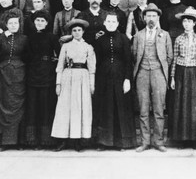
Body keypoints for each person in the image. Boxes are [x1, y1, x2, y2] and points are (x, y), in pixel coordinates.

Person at [132, 3, 173, 153]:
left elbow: (169, 56)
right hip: (142, 73)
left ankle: (158, 141)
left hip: (158, 73)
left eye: (154, 16)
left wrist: (159, 68)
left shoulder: (165, 35)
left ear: (158, 18)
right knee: (143, 109)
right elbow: (134, 55)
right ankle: (145, 142)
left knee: (158, 109)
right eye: (148, 15)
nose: (151, 18)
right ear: (143, 17)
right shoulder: (138, 35)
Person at [93, 13, 137, 150]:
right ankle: (104, 142)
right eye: (109, 21)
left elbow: (128, 61)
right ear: (105, 23)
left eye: (114, 21)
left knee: (120, 109)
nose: (111, 23)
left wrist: (127, 79)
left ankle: (121, 143)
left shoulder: (123, 39)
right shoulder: (100, 40)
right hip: (103, 78)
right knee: (105, 109)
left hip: (120, 78)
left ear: (118, 23)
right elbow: (97, 61)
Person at [52, 18, 96, 152]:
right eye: (74, 30)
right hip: (67, 76)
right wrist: (58, 83)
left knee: (80, 107)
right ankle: (62, 140)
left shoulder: (88, 47)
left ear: (83, 32)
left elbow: (92, 68)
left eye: (79, 30)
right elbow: (60, 66)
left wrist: (91, 84)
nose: (77, 33)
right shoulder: (65, 46)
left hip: (82, 77)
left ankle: (78, 141)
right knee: (65, 108)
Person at [0, 8, 28, 150]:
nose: (13, 25)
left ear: (19, 24)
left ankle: (18, 142)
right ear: (6, 24)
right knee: (3, 105)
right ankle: (4, 142)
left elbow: (27, 57)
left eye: (15, 23)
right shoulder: (0, 38)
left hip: (19, 76)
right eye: (10, 23)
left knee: (17, 106)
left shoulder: (24, 39)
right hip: (3, 75)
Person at [24, 10, 61, 149]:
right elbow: (26, 56)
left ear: (47, 23)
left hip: (47, 74)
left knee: (46, 106)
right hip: (33, 74)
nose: (39, 23)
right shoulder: (30, 37)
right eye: (37, 21)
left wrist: (51, 63)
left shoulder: (52, 37)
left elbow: (59, 55)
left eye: (42, 21)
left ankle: (47, 140)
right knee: (33, 107)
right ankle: (33, 141)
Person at [170, 7, 196, 147]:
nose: (187, 24)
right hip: (181, 72)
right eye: (184, 21)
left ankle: (194, 139)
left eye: (189, 21)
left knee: (194, 104)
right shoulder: (178, 39)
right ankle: (181, 139)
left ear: (194, 23)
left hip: (195, 72)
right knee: (181, 104)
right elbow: (174, 58)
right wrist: (172, 77)